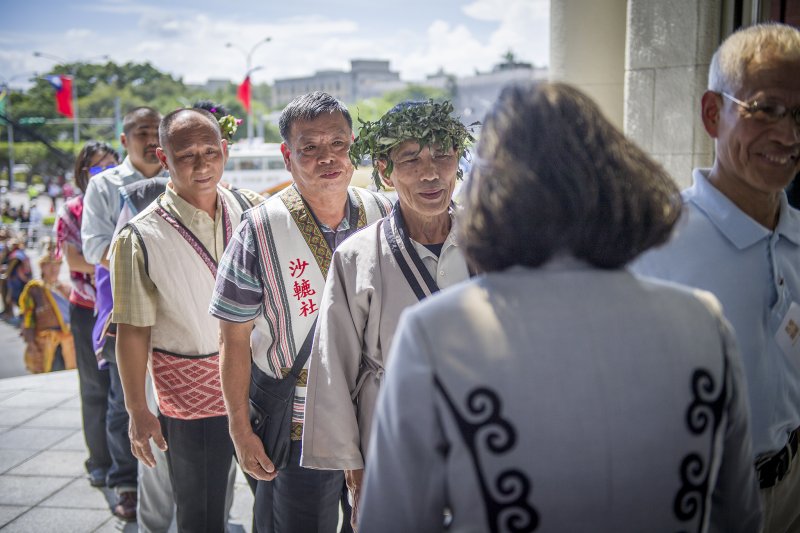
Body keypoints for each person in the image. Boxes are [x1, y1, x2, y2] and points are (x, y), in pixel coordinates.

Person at [358, 82, 762, 533]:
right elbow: (740, 518)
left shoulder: (437, 334)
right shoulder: (702, 322)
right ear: (619, 181)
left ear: (490, 195)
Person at [632, 23, 800, 533]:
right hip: (694, 502)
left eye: (799, 115)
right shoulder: (654, 242)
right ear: (712, 113)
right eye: (766, 109)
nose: (789, 135)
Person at [209, 91, 391, 533]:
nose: (326, 157)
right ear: (287, 156)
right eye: (309, 147)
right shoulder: (259, 228)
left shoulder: (384, 212)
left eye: (338, 144)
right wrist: (239, 427)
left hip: (378, 413)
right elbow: (233, 336)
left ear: (352, 147)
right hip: (297, 423)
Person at [301, 100, 472, 529]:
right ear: (384, 171)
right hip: (392, 429)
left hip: (480, 423)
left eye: (443, 156)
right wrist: (354, 469)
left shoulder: (491, 241)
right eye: (411, 159)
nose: (431, 173)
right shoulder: (357, 255)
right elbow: (333, 364)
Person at [110, 107, 263, 532]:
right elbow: (133, 330)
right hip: (191, 397)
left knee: (275, 502)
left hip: (260, 389)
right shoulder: (139, 237)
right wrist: (137, 408)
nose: (201, 164)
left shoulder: (250, 210)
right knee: (201, 514)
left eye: (210, 151)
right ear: (163, 158)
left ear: (225, 151)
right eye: (186, 155)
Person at [81, 106, 166, 521]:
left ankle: (169, 485)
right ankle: (125, 482)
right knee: (123, 401)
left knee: (175, 400)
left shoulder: (178, 174)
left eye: (157, 131)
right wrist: (150, 258)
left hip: (178, 308)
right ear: (124, 140)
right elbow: (94, 246)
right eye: (142, 132)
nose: (151, 139)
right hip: (123, 307)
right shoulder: (105, 186)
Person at [55, 140, 119, 488]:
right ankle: (99, 460)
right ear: (83, 174)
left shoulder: (125, 201)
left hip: (123, 307)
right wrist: (119, 256)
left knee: (123, 392)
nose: (106, 173)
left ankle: (125, 464)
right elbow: (75, 259)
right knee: (95, 388)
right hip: (88, 309)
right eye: (97, 168)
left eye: (111, 165)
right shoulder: (73, 209)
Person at [18, 240, 76, 374]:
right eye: (49, 265)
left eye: (57, 265)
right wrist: (31, 343)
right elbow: (28, 318)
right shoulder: (34, 289)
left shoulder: (65, 289)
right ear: (42, 266)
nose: (54, 269)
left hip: (67, 343)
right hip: (46, 343)